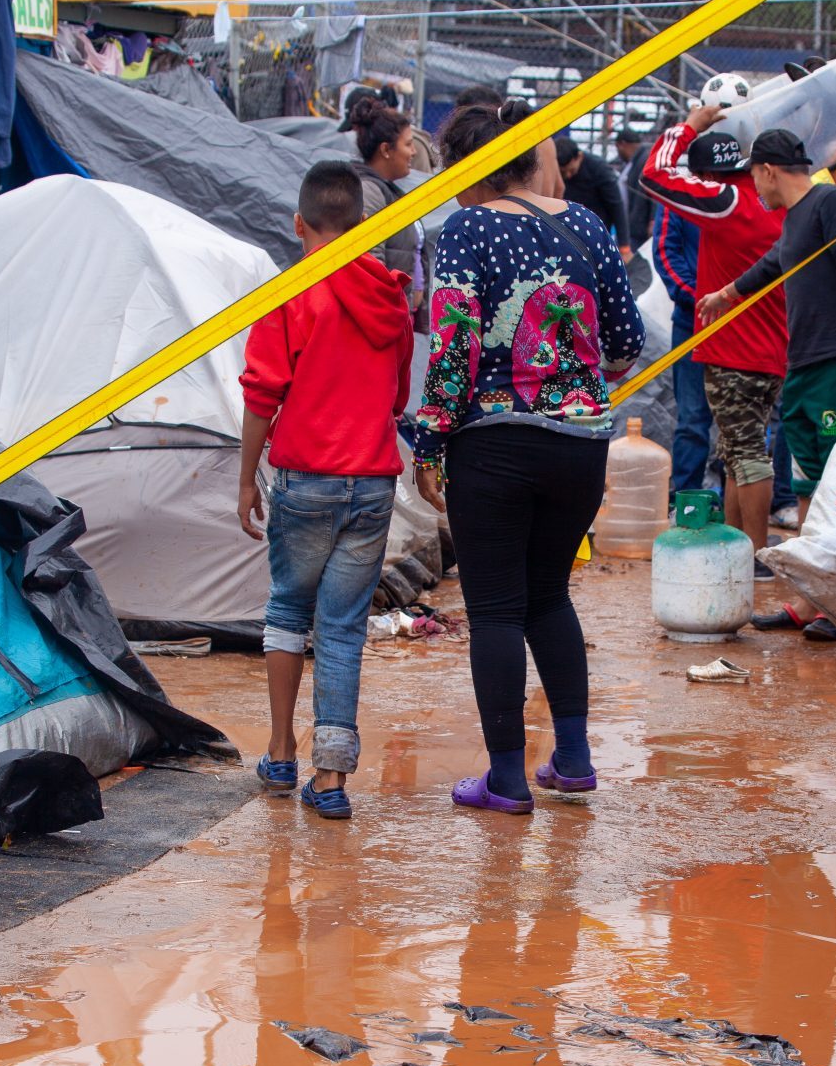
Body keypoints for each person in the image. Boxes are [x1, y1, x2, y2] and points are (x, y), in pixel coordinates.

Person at [412, 98, 646, 814]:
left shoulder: (466, 229)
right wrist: (575, 380)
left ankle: (507, 778)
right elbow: (627, 340)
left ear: (470, 168)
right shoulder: (586, 225)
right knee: (550, 595)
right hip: (580, 447)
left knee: (496, 612)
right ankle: (572, 760)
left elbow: (452, 348)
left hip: (494, 443)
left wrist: (428, 441)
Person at [238, 161, 414, 820]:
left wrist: (243, 482)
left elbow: (261, 394)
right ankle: (332, 779)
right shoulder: (392, 297)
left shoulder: (291, 294)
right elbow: (397, 396)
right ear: (364, 226)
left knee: (287, 612)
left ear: (299, 225)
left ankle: (281, 753)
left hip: (305, 480)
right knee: (342, 629)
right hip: (371, 484)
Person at [698, 127, 836, 642]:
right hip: (801, 364)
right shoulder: (797, 217)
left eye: (753, 176)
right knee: (806, 485)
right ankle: (810, 597)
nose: (754, 188)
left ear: (767, 169)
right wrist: (726, 293)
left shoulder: (833, 203)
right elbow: (774, 264)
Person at [638, 104, 787, 557]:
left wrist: (690, 127)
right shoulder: (779, 202)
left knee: (744, 454)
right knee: (739, 450)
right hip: (769, 345)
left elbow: (655, 173)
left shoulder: (728, 202)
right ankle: (738, 545)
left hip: (732, 347)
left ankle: (753, 552)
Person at [348, 93, 428, 322]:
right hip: (385, 322)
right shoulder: (370, 193)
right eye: (408, 144)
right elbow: (371, 265)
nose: (413, 152)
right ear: (386, 150)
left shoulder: (387, 191)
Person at [651, 198, 712, 492]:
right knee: (692, 419)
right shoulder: (679, 197)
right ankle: (687, 501)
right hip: (694, 321)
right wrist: (700, 299)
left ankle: (740, 507)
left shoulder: (748, 191)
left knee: (743, 422)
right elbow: (665, 254)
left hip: (743, 320)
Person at [452, 83, 564, 198]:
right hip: (544, 210)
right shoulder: (544, 139)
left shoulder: (491, 143)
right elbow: (560, 188)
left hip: (505, 212)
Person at [554, 135, 633, 258]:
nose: (568, 176)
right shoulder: (554, 174)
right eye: (563, 173)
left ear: (579, 157)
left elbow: (616, 206)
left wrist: (624, 247)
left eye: (571, 170)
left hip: (597, 233)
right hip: (567, 234)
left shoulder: (599, 169)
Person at [614, 127, 654, 252]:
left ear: (622, 144)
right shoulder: (635, 161)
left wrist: (652, 220)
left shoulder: (643, 160)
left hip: (639, 226)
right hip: (635, 224)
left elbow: (653, 190)